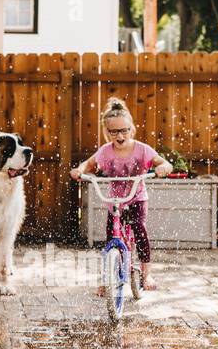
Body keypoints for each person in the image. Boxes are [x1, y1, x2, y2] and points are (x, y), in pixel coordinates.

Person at [70, 97, 172, 290]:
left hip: (136, 197)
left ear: (131, 129)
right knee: (111, 238)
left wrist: (163, 167)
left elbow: (163, 162)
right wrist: (79, 170)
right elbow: (89, 164)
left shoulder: (142, 149)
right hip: (115, 201)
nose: (120, 135)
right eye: (114, 131)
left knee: (140, 231)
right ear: (107, 133)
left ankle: (147, 275)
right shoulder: (106, 151)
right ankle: (109, 278)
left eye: (124, 130)